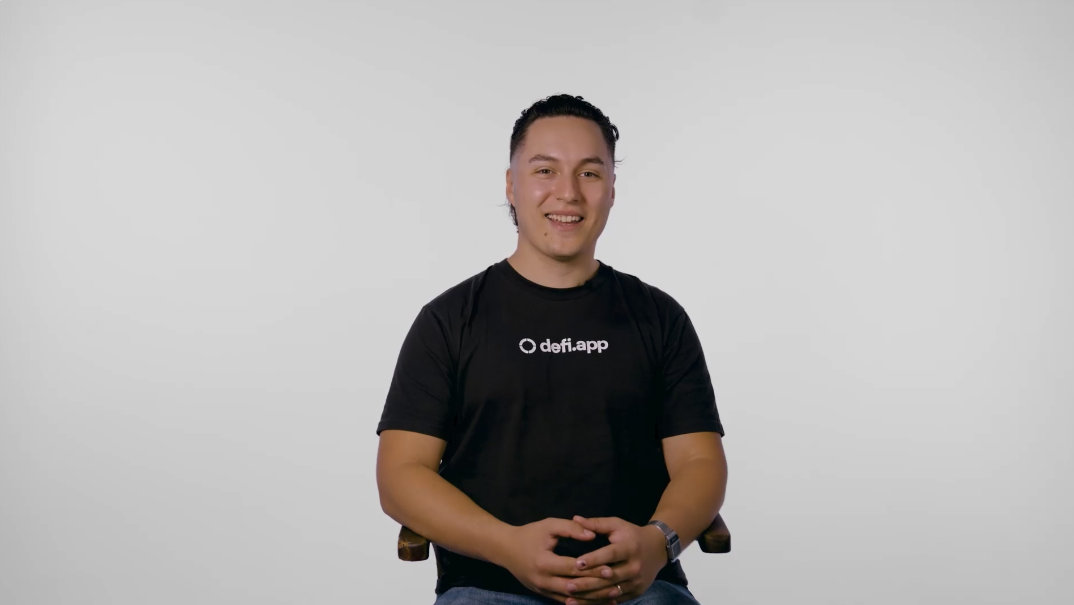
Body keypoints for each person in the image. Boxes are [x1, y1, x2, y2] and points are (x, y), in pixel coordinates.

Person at [376, 94, 727, 605]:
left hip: (638, 587)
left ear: (611, 189)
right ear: (510, 185)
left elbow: (700, 460)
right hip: (487, 586)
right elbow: (400, 475)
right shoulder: (448, 320)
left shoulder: (659, 317)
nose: (568, 193)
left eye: (590, 173)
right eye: (545, 170)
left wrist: (657, 543)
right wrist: (507, 546)